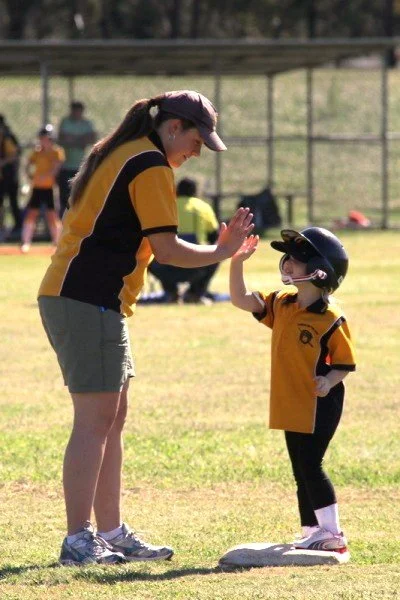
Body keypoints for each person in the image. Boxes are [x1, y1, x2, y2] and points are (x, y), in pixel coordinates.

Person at [37, 90, 254, 566]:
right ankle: (79, 539)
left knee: (111, 421)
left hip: (89, 299)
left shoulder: (126, 151)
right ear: (173, 127)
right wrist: (224, 251)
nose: (197, 152)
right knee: (95, 422)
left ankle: (111, 531)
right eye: (197, 140)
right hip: (85, 298)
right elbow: (168, 249)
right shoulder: (150, 163)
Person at [229, 227, 356, 553]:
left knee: (312, 465)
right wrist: (237, 262)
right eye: (287, 257)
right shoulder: (282, 303)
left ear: (319, 270)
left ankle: (334, 534)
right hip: (290, 402)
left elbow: (343, 363)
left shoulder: (330, 318)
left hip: (318, 403)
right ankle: (313, 530)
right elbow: (241, 299)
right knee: (300, 470)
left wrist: (329, 381)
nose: (287, 263)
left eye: (296, 259)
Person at [148, 176, 220, 304]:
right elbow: (214, 236)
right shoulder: (203, 207)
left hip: (166, 265)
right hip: (196, 264)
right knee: (218, 254)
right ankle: (195, 293)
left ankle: (171, 292)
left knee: (149, 256)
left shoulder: (167, 205)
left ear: (176, 191)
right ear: (195, 191)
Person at [21, 125, 65, 253]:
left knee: (52, 215)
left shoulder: (56, 151)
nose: (43, 141)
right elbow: (27, 164)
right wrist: (29, 175)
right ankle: (26, 242)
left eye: (46, 138)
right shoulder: (36, 152)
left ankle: (57, 243)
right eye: (42, 138)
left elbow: (56, 168)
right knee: (31, 213)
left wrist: (44, 176)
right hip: (37, 187)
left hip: (49, 188)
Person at [57, 100, 97, 217]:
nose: (76, 113)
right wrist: (80, 139)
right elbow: (63, 138)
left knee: (81, 194)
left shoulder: (86, 123)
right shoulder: (65, 122)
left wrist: (72, 139)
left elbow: (91, 138)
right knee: (64, 195)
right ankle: (63, 219)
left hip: (80, 167)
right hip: (66, 165)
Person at [0, 114, 22, 238]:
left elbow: (14, 155)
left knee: (13, 202)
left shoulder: (7, 137)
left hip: (9, 176)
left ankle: (17, 228)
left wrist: (3, 162)